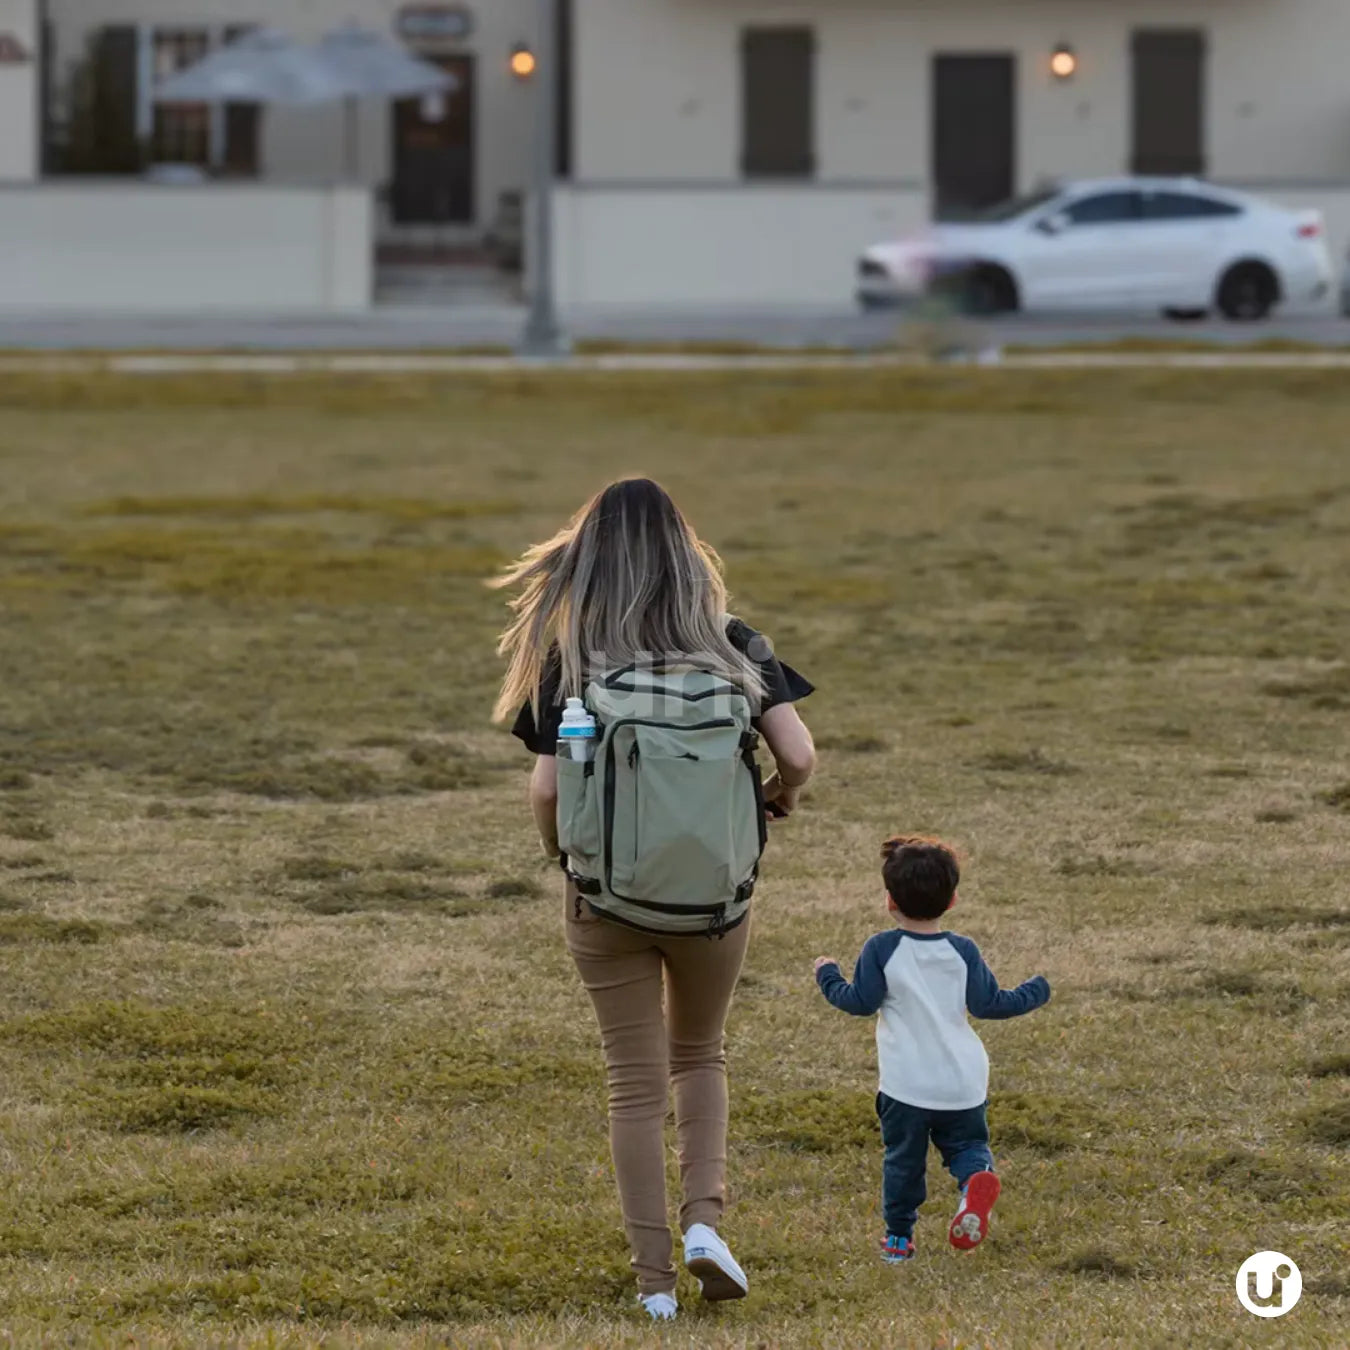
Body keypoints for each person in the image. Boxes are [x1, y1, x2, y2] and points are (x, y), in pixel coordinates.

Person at [491, 477, 816, 1321]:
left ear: (589, 560)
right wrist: (779, 795)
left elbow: (544, 792)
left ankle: (655, 1285)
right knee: (699, 1055)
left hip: (604, 898)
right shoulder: (735, 643)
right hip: (715, 898)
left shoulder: (577, 659)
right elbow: (803, 755)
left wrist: (562, 864)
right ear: (686, 552)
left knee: (632, 1084)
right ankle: (707, 1223)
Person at [812, 836, 1050, 1264]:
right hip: (963, 1080)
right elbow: (990, 1004)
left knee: (904, 1162)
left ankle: (899, 1238)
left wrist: (828, 974)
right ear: (953, 899)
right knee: (966, 1145)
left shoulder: (882, 949)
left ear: (889, 901)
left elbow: (858, 1002)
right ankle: (975, 1178)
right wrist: (1036, 991)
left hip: (907, 1087)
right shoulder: (963, 951)